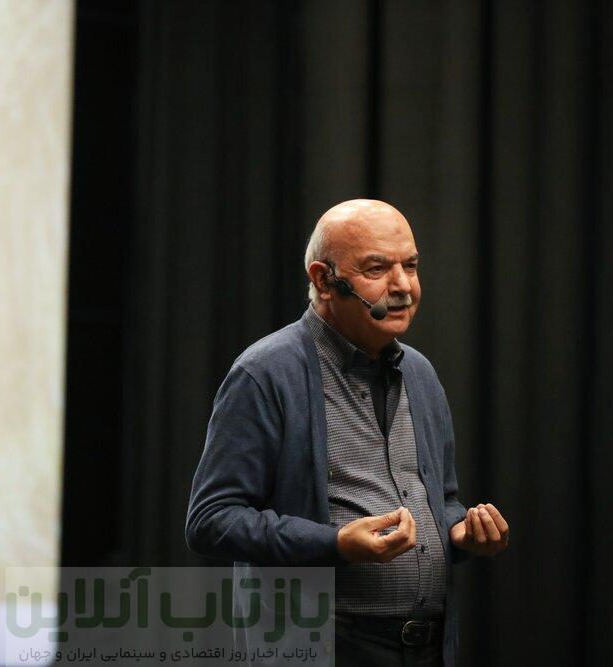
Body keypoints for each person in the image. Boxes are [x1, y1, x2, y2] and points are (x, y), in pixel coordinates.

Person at [185, 199, 509, 666]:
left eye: (410, 266)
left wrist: (460, 531)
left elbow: (442, 500)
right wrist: (334, 543)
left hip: (427, 645)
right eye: (377, 269)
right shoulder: (265, 373)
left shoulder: (419, 374)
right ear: (323, 280)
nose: (403, 286)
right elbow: (211, 521)